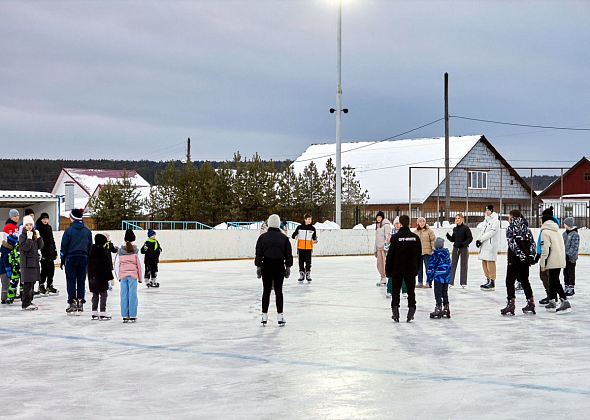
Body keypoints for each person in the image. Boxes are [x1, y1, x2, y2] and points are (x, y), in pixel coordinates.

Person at [255, 214, 293, 326]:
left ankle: (264, 315)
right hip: (279, 266)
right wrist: (288, 267)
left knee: (266, 291)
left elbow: (258, 253)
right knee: (278, 291)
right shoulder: (284, 238)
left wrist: (258, 267)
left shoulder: (262, 238)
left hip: (266, 265)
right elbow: (288, 254)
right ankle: (280, 316)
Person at [385, 215, 422, 323]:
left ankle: (395, 312)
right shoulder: (415, 238)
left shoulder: (396, 238)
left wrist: (388, 271)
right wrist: (416, 269)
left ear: (400, 224)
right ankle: (411, 311)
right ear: (409, 223)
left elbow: (390, 256)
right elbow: (418, 255)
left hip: (397, 270)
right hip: (411, 270)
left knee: (395, 292)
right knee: (411, 291)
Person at [500, 210, 537, 316]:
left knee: (510, 281)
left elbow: (512, 244)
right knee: (525, 281)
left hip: (514, 260)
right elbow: (532, 244)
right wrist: (529, 256)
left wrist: (520, 256)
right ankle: (531, 302)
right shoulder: (527, 229)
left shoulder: (510, 228)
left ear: (512, 217)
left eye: (509, 216)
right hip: (525, 261)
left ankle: (511, 303)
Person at [60, 209, 93, 315]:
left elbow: (64, 247)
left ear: (72, 218)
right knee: (81, 281)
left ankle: (72, 302)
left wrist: (62, 259)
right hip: (83, 258)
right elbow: (90, 247)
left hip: (71, 258)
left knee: (71, 281)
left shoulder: (68, 231)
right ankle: (80, 301)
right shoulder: (87, 231)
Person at [539, 207, 571, 313]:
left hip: (552, 260)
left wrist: (542, 263)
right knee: (552, 280)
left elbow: (545, 249)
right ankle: (552, 301)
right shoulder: (556, 230)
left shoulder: (545, 232)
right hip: (559, 259)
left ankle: (564, 301)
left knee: (555, 281)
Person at [114, 229, 144, 323]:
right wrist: (140, 278)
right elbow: (140, 265)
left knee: (124, 295)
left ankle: (125, 315)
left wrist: (119, 277)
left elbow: (116, 265)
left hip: (123, 276)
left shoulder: (120, 251)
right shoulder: (136, 250)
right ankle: (132, 315)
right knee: (132, 295)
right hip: (133, 276)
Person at [18, 215, 44, 310]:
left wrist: (39, 237)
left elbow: (40, 246)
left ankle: (30, 300)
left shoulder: (34, 235)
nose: (29, 226)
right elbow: (25, 248)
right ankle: (25, 303)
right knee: (27, 285)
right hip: (27, 264)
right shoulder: (22, 236)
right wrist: (28, 239)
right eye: (27, 225)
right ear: (24, 226)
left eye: (31, 225)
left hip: (34, 263)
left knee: (32, 284)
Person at [88, 234, 115, 320]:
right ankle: (102, 312)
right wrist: (111, 278)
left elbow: (88, 265)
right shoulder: (103, 252)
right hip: (101, 277)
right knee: (103, 294)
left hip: (92, 277)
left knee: (95, 295)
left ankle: (94, 312)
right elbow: (106, 267)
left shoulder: (90, 251)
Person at [476, 205, 500, 291]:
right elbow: (481, 231)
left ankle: (492, 280)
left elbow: (492, 232)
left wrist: (482, 239)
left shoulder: (495, 221)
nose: (487, 211)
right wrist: (478, 239)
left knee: (490, 262)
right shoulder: (485, 220)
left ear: (492, 210)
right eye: (486, 210)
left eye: (489, 210)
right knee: (484, 261)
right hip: (484, 244)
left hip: (490, 244)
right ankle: (487, 279)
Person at [446, 213, 473, 288]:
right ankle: (450, 282)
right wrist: (449, 237)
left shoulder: (466, 228)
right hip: (456, 248)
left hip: (464, 248)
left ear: (462, 219)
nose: (457, 220)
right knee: (453, 264)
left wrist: (463, 244)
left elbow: (470, 238)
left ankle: (463, 282)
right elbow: (454, 239)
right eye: (456, 218)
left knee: (464, 264)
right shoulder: (455, 229)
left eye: (458, 218)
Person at [427, 237, 452, 319]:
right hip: (446, 277)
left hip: (438, 278)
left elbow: (431, 268)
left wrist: (429, 279)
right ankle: (446, 307)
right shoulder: (446, 254)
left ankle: (438, 307)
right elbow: (449, 266)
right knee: (444, 292)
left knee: (438, 293)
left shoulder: (435, 255)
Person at [36, 212, 58, 295]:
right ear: (41, 219)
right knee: (45, 269)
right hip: (43, 252)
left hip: (50, 252)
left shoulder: (49, 227)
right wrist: (40, 252)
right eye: (44, 219)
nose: (45, 220)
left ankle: (49, 284)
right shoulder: (38, 228)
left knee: (52, 269)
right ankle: (41, 285)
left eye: (46, 219)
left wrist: (54, 250)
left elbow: (52, 240)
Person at [292, 214, 318, 282]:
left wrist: (315, 241)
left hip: (309, 248)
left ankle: (308, 274)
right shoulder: (299, 227)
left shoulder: (312, 228)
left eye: (310, 219)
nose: (310, 221)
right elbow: (293, 235)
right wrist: (295, 236)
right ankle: (301, 274)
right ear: (305, 219)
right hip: (300, 248)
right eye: (308, 219)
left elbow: (314, 237)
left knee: (308, 262)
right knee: (301, 262)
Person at [415, 217, 435, 288]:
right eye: (420, 222)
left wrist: (433, 249)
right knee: (419, 269)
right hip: (418, 253)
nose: (422, 223)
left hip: (427, 252)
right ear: (418, 223)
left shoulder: (429, 231)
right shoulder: (415, 232)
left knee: (428, 268)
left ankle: (428, 282)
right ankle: (420, 282)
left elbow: (433, 241)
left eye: (423, 221)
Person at [562, 217, 579, 297]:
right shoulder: (564, 234)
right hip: (564, 257)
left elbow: (574, 246)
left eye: (565, 223)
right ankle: (566, 286)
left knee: (571, 272)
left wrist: (568, 255)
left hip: (571, 258)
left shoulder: (575, 235)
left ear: (568, 224)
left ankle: (571, 288)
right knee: (565, 272)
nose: (563, 225)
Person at [374, 211, 391, 286]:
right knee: (379, 264)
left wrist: (386, 247)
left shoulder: (386, 226)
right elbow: (376, 239)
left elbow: (388, 237)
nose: (378, 219)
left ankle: (389, 278)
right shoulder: (378, 226)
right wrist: (375, 249)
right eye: (377, 217)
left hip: (384, 249)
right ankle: (383, 277)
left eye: (380, 217)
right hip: (378, 248)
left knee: (385, 264)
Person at [1, 234, 16, 304]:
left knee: (7, 283)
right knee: (5, 284)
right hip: (3, 270)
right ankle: (4, 298)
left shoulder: (7, 249)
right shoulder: (7, 251)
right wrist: (8, 270)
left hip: (5, 269)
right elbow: (5, 261)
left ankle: (7, 296)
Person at [6, 234, 21, 303]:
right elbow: (10, 259)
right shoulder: (12, 250)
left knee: (23, 283)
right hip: (15, 269)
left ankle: (23, 296)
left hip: (22, 268)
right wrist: (13, 265)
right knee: (13, 283)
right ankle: (10, 297)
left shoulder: (19, 248)